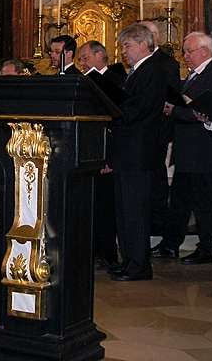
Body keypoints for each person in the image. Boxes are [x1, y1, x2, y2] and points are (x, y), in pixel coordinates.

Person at [151, 32, 212, 264]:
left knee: (203, 202)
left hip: (203, 151)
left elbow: (205, 112)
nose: (185, 56)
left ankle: (206, 248)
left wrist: (172, 110)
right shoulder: (193, 76)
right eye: (184, 51)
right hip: (186, 150)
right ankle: (170, 244)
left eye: (189, 51)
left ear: (205, 51)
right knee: (179, 201)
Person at [107, 24, 166, 281]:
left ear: (143, 44)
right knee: (124, 209)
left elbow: (140, 109)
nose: (123, 51)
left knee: (135, 210)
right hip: (127, 151)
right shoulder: (137, 71)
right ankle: (129, 259)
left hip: (138, 152)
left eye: (127, 46)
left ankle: (139, 264)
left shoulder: (153, 70)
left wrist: (111, 109)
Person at [78, 40, 121, 270]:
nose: (82, 63)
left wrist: (109, 158)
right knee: (92, 206)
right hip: (90, 153)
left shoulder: (114, 80)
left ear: (99, 55)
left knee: (106, 207)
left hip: (107, 153)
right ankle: (92, 250)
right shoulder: (86, 82)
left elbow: (116, 123)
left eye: (85, 57)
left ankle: (108, 254)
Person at [139, 21, 180, 238]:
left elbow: (170, 99)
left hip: (158, 130)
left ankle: (158, 224)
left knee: (157, 179)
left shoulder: (166, 63)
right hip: (144, 131)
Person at [0, 58, 26, 246]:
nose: (5, 80)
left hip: (19, 151)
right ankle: (1, 229)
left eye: (9, 76)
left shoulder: (26, 94)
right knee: (0, 191)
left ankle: (17, 229)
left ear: (20, 75)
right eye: (3, 76)